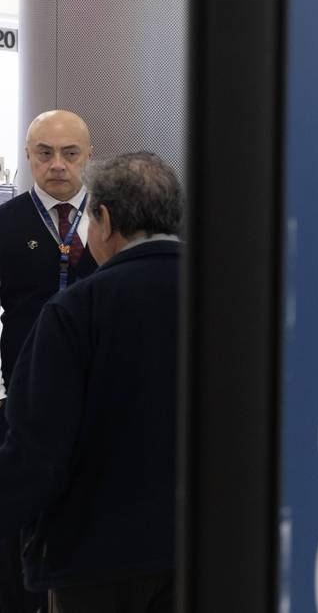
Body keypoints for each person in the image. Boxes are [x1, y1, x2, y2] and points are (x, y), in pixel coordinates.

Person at [0, 152, 181, 612]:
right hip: (204, 545)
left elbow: (38, 450)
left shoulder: (77, 310)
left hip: (97, 557)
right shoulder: (231, 296)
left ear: (103, 219)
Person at [0, 109, 99, 613]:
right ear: (28, 158)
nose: (57, 165)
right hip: (24, 391)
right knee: (21, 508)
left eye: (69, 153)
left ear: (89, 157)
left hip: (100, 392)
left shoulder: (111, 221)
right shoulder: (6, 223)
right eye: (44, 153)